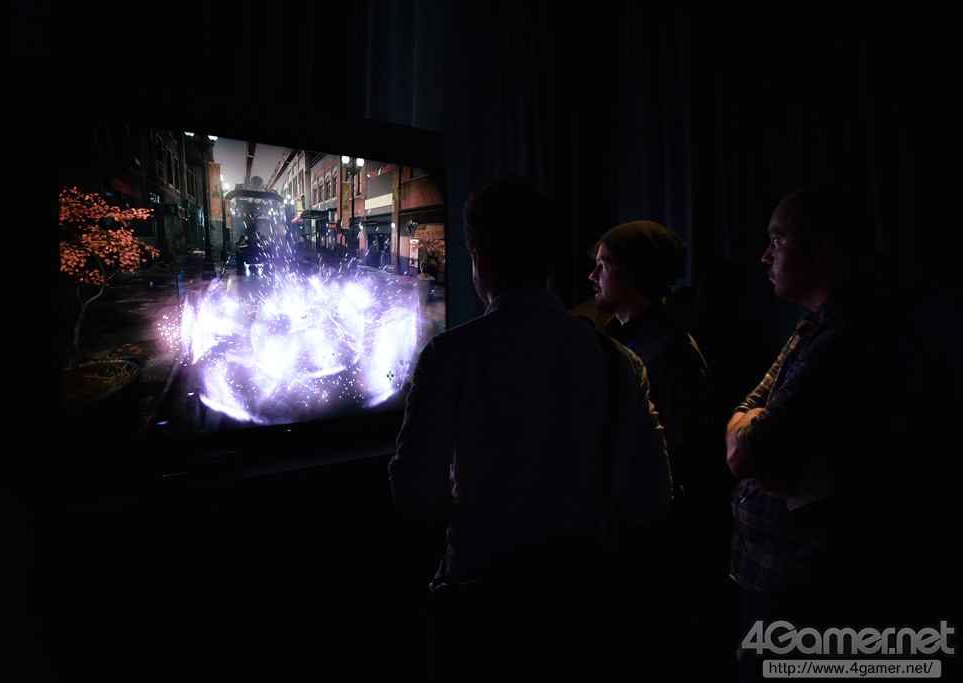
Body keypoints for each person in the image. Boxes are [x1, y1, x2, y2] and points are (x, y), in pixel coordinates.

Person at [389, 176, 672, 681]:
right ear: (548, 261)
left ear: (479, 261)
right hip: (580, 614)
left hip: (479, 613)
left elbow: (413, 491)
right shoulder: (620, 363)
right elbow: (653, 499)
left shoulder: (449, 356)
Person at [726, 183, 929, 682]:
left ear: (820, 247)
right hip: (784, 575)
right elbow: (746, 411)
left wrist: (752, 434)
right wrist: (751, 428)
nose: (765, 255)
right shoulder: (814, 326)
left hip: (810, 586)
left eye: (778, 240)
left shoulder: (852, 335)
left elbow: (748, 452)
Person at [588, 221, 731, 678]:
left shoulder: (672, 351)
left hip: (652, 550)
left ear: (631, 274)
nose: (592, 275)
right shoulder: (621, 338)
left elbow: (683, 457)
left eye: (603, 265)